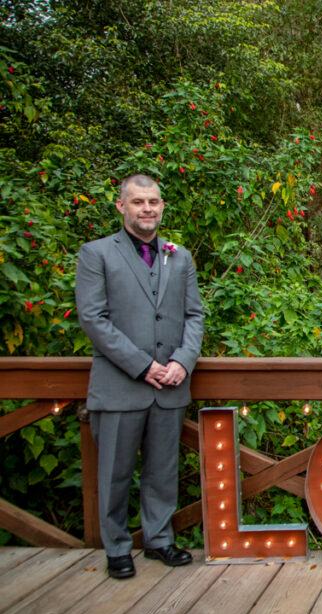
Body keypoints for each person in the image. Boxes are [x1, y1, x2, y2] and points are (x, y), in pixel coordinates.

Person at [75, 174, 204, 579]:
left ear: (162, 206)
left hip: (171, 385)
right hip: (120, 385)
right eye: (138, 202)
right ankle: (116, 548)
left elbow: (194, 315)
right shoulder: (96, 254)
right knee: (114, 474)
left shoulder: (179, 257)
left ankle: (159, 540)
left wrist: (183, 360)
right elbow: (93, 318)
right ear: (121, 206)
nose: (147, 208)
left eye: (153, 202)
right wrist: (143, 365)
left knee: (163, 472)